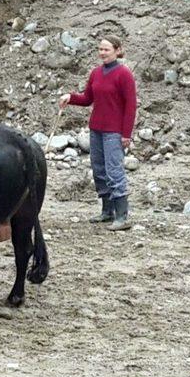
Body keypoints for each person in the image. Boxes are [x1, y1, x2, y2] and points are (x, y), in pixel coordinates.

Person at [59, 35, 137, 231]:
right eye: (100, 49)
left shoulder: (124, 74)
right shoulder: (96, 73)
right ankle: (106, 211)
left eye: (106, 49)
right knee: (99, 170)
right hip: (96, 129)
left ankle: (122, 216)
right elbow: (87, 98)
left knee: (114, 171)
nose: (102, 53)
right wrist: (71, 97)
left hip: (114, 131)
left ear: (117, 50)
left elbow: (131, 106)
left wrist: (126, 134)